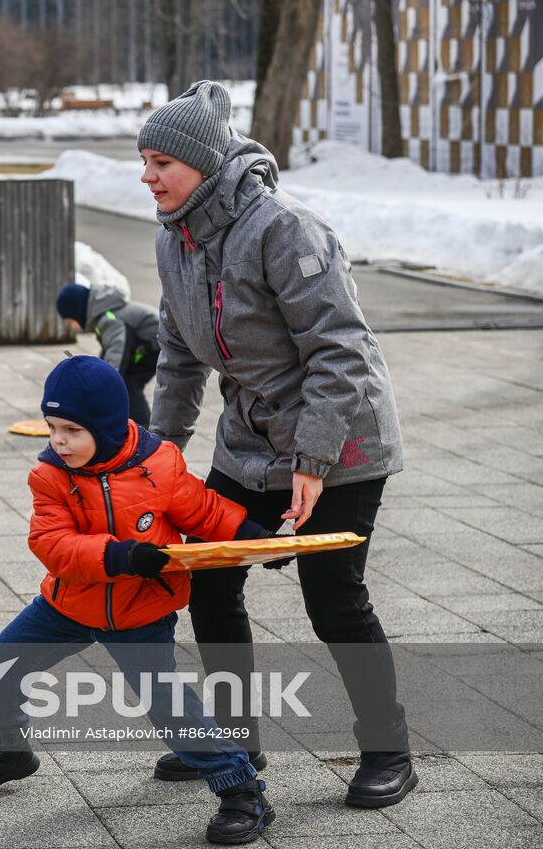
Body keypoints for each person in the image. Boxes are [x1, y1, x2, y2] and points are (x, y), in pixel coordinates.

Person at [139, 80, 414, 807]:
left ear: (202, 163)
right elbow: (176, 355)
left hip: (343, 439)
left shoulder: (284, 230)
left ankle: (389, 747)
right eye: (144, 159)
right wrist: (158, 457)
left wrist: (314, 462)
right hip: (250, 438)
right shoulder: (177, 241)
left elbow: (342, 351)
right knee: (212, 578)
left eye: (161, 159)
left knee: (335, 600)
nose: (148, 173)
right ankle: (236, 741)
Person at [0, 356, 278, 845]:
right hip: (69, 604)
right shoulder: (51, 476)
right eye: (52, 427)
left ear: (105, 429)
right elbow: (52, 544)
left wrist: (254, 539)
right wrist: (120, 555)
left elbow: (202, 510)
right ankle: (8, 750)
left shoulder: (159, 463)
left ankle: (241, 789)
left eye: (72, 430)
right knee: (1, 658)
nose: (58, 440)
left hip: (140, 610)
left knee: (164, 701)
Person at [56, 281, 159, 425]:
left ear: (78, 311)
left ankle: (143, 430)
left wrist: (104, 385)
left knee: (128, 384)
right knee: (117, 380)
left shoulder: (110, 319)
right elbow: (108, 351)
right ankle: (127, 423)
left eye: (71, 321)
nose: (73, 326)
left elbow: (116, 354)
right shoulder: (105, 312)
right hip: (142, 345)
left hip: (155, 345)